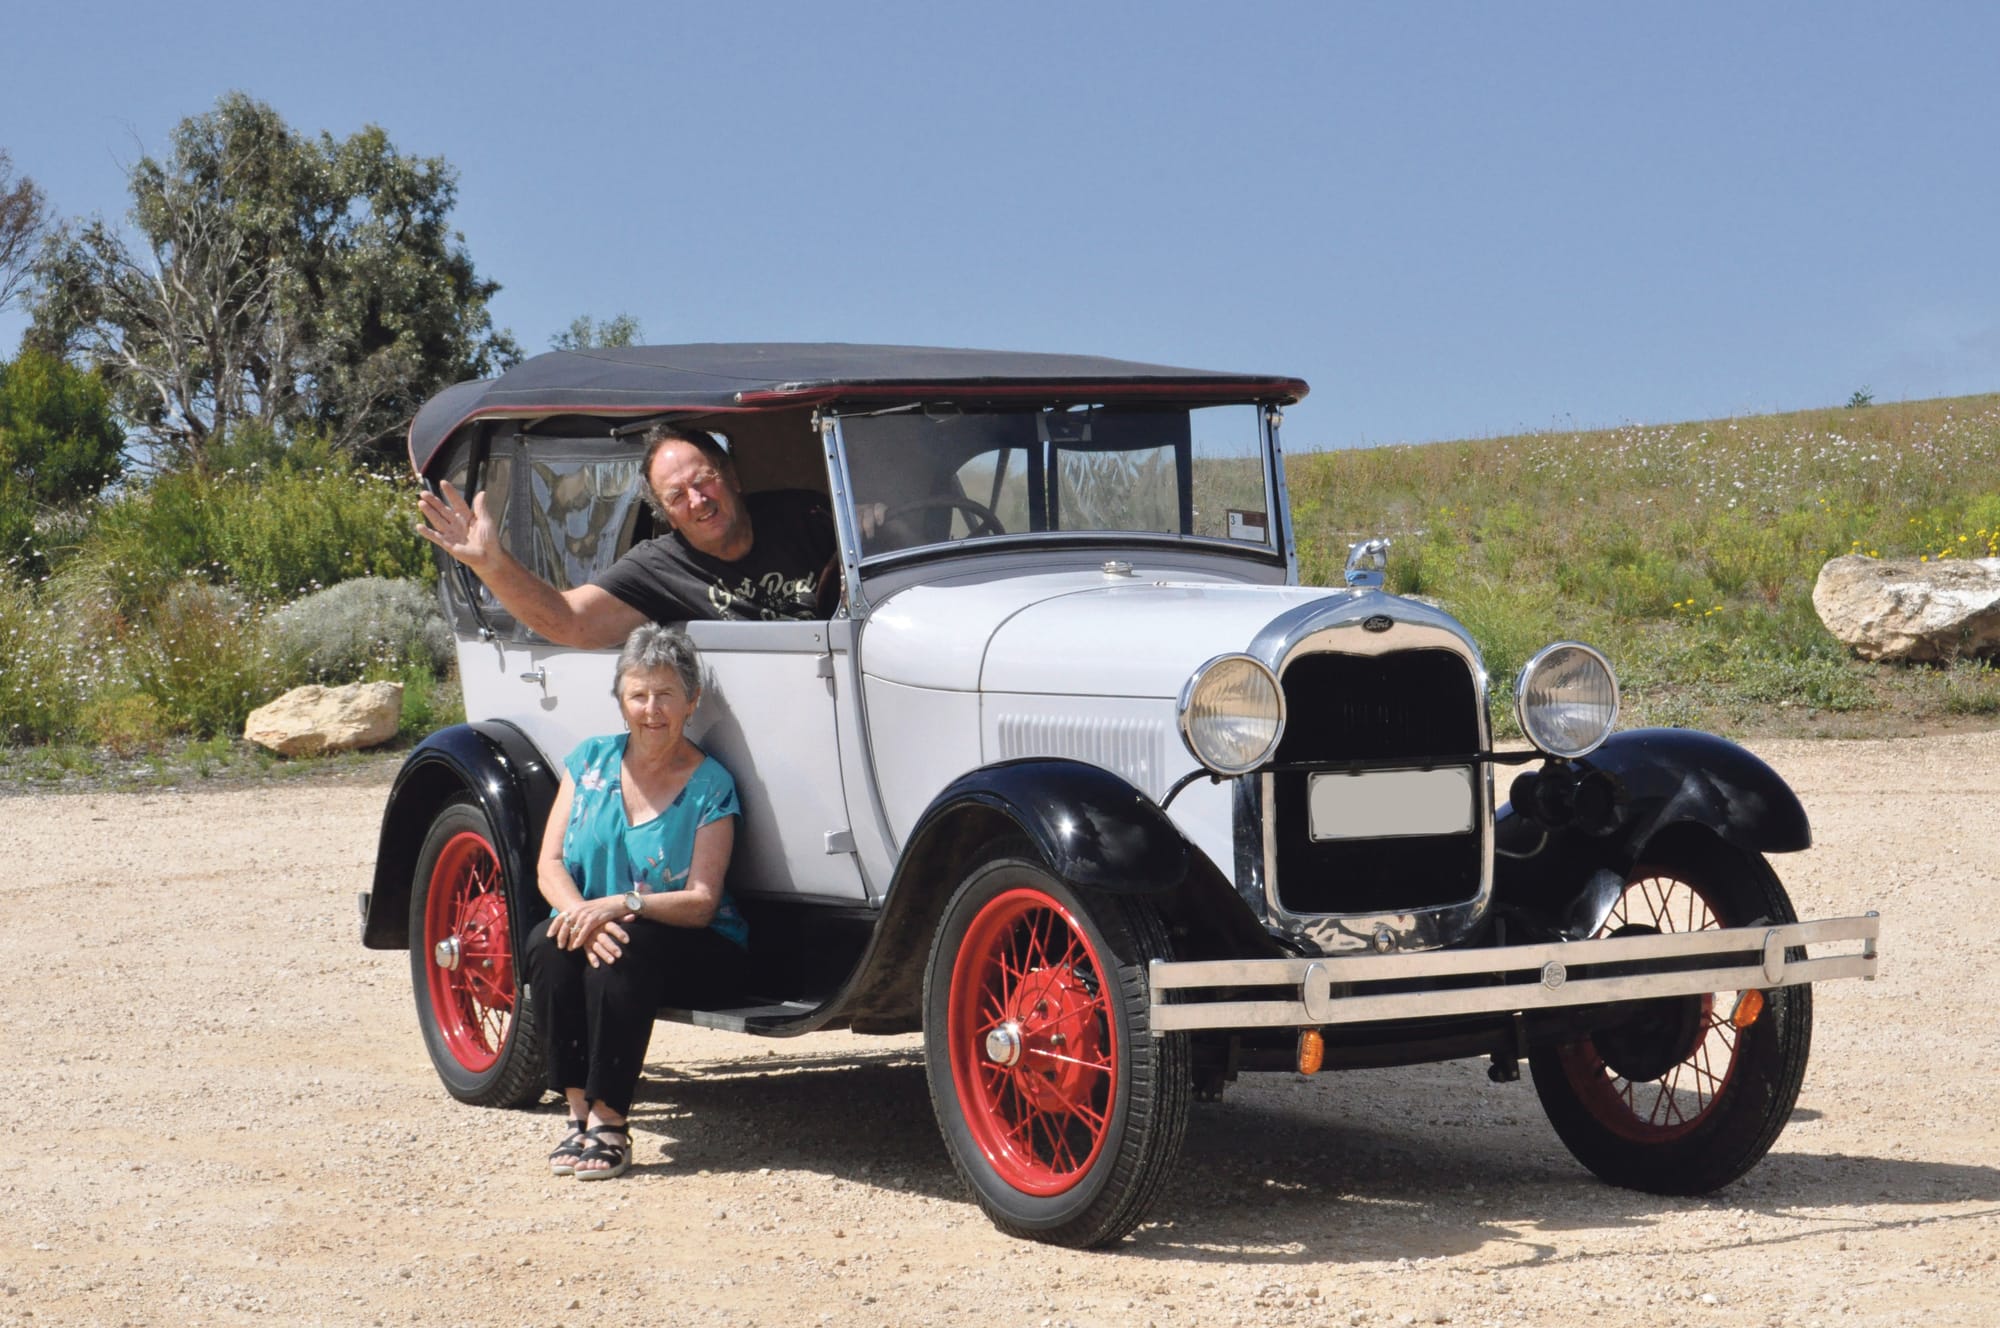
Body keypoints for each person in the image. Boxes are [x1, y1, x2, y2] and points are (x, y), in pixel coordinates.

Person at [524, 623, 748, 1180]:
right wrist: (583, 913)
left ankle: (611, 1121)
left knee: (620, 948)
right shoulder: (589, 762)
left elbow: (701, 900)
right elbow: (548, 864)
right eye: (639, 694)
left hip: (693, 942)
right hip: (597, 919)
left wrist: (620, 906)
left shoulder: (711, 785)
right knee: (548, 946)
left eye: (667, 694)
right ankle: (578, 1114)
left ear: (691, 702)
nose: (653, 709)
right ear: (621, 702)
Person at [416, 423, 836, 644]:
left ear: (732, 477)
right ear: (668, 516)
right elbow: (569, 622)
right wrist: (492, 564)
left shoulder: (803, 513)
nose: (697, 500)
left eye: (704, 479)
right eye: (677, 496)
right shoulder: (659, 566)